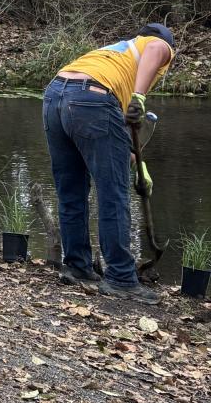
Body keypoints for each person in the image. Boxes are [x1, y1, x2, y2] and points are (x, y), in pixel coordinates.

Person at [43, 23, 175, 306]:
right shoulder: (156, 46)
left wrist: (142, 169)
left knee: (71, 190)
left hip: (55, 96)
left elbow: (121, 143)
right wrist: (140, 95)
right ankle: (120, 278)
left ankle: (77, 266)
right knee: (113, 194)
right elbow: (156, 48)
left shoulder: (115, 56)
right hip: (93, 98)